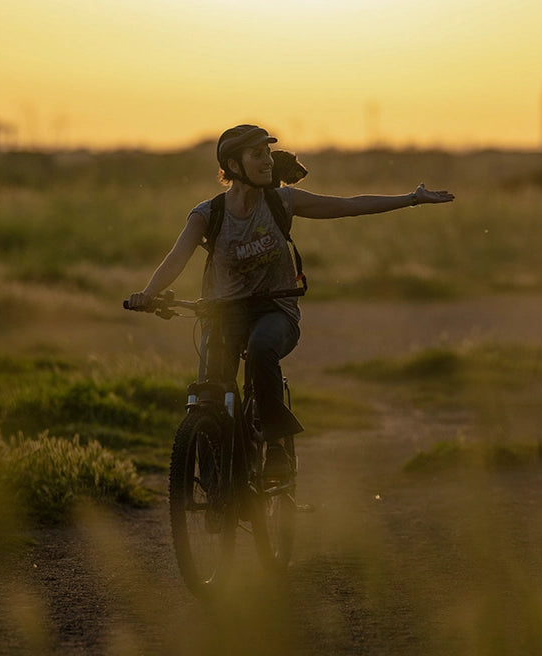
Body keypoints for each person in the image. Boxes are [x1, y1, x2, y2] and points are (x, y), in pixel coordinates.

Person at [127, 124, 455, 477]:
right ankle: (216, 466)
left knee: (261, 348)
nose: (268, 161)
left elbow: (348, 206)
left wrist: (411, 198)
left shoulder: (281, 202)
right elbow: (177, 257)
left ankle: (277, 447)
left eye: (267, 153)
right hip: (222, 312)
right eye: (257, 155)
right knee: (211, 386)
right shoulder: (208, 214)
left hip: (275, 310)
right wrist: (149, 294)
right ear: (234, 166)